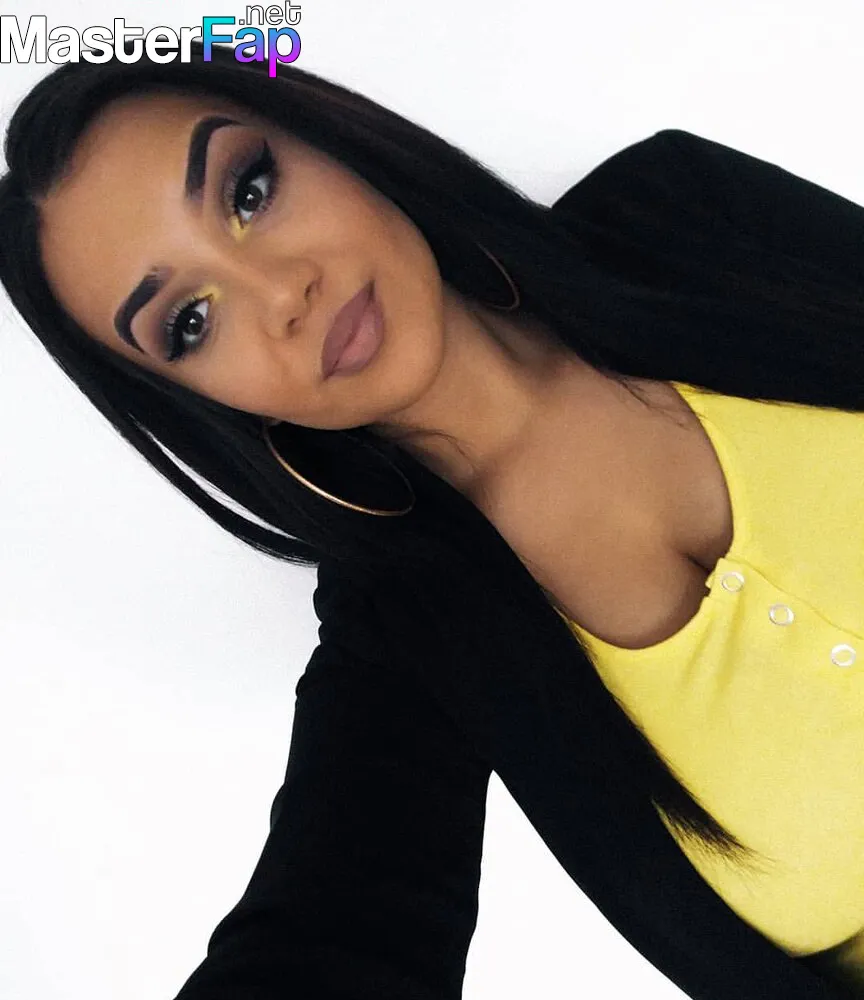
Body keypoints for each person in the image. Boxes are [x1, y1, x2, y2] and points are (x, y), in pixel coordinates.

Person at [2, 42, 863, 999]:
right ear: (199, 400)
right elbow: (331, 937)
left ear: (329, 139)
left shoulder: (683, 216)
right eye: (191, 323)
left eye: (248, 191)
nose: (283, 293)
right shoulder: (404, 641)